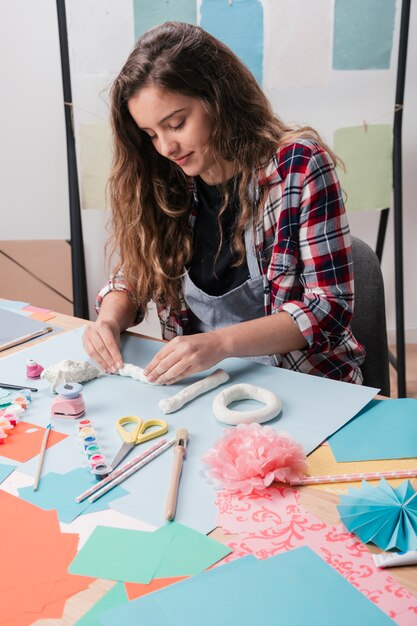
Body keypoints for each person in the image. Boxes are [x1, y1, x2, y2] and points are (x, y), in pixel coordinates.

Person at [83, 21, 365, 386]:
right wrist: (108, 321)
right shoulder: (168, 180)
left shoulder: (297, 166)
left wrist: (219, 344)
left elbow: (328, 308)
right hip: (204, 386)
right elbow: (134, 277)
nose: (166, 147)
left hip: (303, 381)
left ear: (218, 98)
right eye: (152, 134)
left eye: (177, 123)